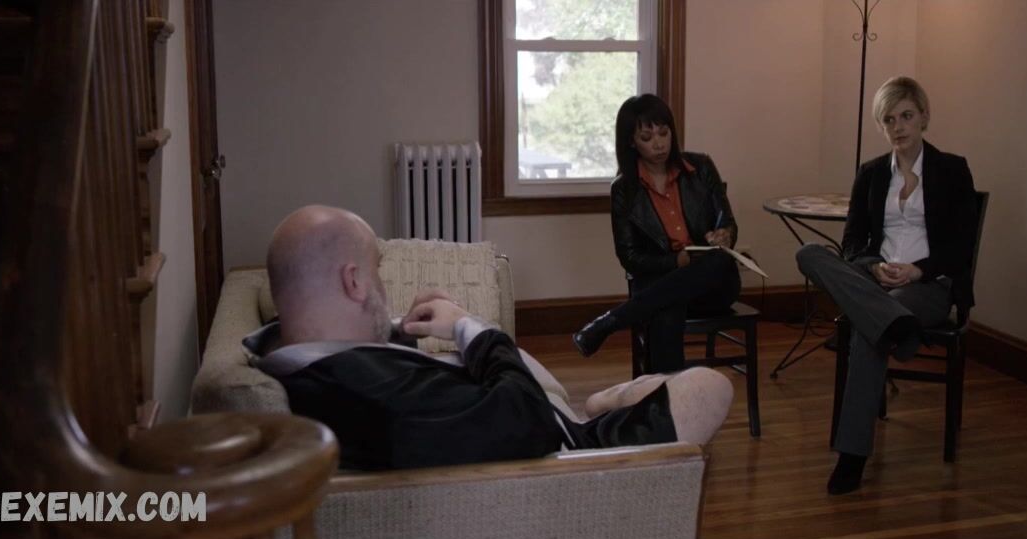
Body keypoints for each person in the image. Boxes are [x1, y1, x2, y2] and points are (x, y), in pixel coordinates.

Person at [242, 205, 732, 471]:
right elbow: (526, 421)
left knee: (645, 389)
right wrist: (469, 327)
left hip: (521, 411)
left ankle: (606, 402)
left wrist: (397, 329)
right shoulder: (371, 397)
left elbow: (369, 361)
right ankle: (603, 408)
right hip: (567, 450)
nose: (381, 286)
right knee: (711, 386)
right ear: (353, 281)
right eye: (377, 272)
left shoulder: (291, 354)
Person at [795, 76, 978, 494]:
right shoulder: (872, 173)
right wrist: (875, 266)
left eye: (907, 116)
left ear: (924, 117)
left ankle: (852, 456)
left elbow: (961, 249)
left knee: (868, 328)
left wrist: (917, 271)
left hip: (927, 285)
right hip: (875, 282)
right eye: (889, 120)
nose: (899, 127)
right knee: (809, 253)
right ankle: (897, 325)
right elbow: (851, 244)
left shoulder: (952, 170)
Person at [573, 94, 742, 373]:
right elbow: (629, 257)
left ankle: (612, 321)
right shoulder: (624, 190)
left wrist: (725, 234)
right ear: (631, 142)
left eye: (664, 133)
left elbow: (727, 220)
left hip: (710, 286)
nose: (659, 143)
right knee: (665, 310)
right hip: (660, 281)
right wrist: (676, 261)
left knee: (719, 260)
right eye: (647, 137)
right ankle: (667, 394)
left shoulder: (701, 167)